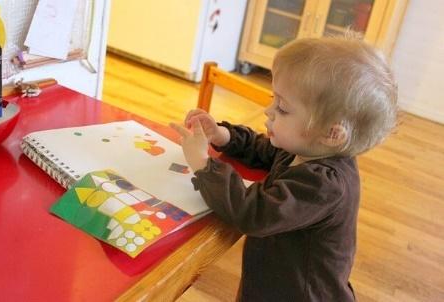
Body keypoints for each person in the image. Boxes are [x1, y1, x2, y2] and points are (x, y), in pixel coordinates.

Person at [170, 35, 397, 301]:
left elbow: (253, 213)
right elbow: (264, 149)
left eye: (283, 108)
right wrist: (224, 136)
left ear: (330, 134)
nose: (268, 111)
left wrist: (203, 165)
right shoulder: (306, 148)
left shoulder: (324, 185)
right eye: (273, 99)